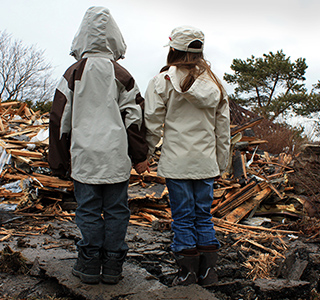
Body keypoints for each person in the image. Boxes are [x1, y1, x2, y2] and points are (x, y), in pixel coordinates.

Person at [48, 6, 149, 284]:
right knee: (117, 210)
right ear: (115, 38)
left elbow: (59, 119)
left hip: (84, 157)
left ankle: (90, 264)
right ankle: (114, 265)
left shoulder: (72, 74)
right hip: (115, 157)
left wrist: (59, 162)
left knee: (88, 209)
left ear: (81, 37)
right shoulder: (122, 75)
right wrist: (140, 155)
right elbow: (135, 119)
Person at [144, 25, 230, 286]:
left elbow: (150, 123)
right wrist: (222, 164)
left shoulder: (163, 82)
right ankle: (208, 273)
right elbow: (222, 130)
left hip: (177, 164)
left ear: (173, 49)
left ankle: (187, 273)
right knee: (203, 216)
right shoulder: (215, 84)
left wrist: (144, 155)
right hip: (205, 164)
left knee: (182, 218)